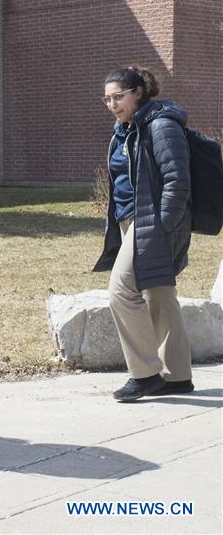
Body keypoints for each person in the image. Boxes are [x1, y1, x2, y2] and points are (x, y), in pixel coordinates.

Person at [93, 65, 193, 401]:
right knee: (159, 293)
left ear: (139, 93)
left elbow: (177, 180)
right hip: (130, 219)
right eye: (107, 99)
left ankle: (146, 374)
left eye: (118, 97)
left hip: (151, 221)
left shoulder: (161, 125)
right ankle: (177, 376)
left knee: (121, 291)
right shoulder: (124, 129)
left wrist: (162, 225)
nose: (113, 104)